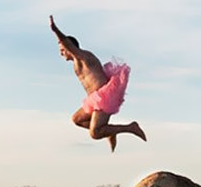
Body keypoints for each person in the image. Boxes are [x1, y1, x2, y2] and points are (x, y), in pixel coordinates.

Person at [50, 15, 146, 152]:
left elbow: (67, 43)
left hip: (105, 96)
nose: (61, 53)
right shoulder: (77, 63)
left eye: (62, 50)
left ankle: (130, 127)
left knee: (95, 133)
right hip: (95, 98)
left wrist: (55, 31)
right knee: (77, 119)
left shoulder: (83, 57)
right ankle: (109, 131)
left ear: (70, 48)